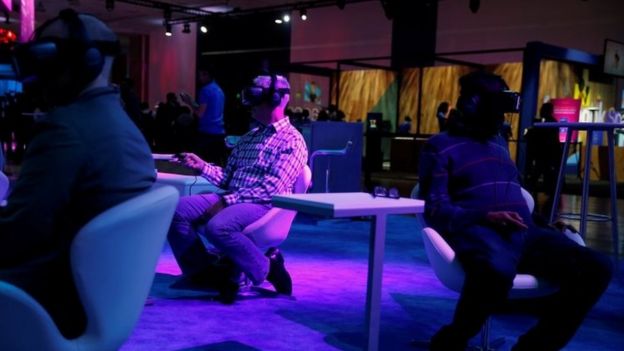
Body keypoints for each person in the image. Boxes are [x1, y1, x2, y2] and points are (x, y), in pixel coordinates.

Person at [418, 71, 613, 351]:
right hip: (480, 231)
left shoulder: (498, 145)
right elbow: (435, 208)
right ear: (473, 103)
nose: (503, 115)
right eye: (497, 104)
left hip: (527, 233)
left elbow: (513, 194)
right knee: (496, 270)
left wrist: (545, 223)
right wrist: (485, 217)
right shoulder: (440, 146)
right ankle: (451, 340)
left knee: (597, 268)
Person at [0, 9, 155, 339]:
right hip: (92, 300)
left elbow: (17, 238)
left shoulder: (65, 129)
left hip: (41, 301)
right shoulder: (124, 126)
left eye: (46, 57)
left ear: (87, 62)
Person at [168, 74, 308, 303]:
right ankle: (206, 274)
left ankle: (267, 268)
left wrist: (227, 201)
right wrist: (202, 166)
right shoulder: (249, 138)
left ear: (275, 100)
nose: (249, 108)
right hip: (234, 196)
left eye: (254, 101)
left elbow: (271, 189)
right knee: (175, 210)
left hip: (262, 204)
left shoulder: (293, 140)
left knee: (218, 227)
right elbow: (228, 179)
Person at [180, 64, 226, 165]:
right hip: (219, 133)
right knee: (216, 165)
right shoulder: (219, 90)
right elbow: (207, 110)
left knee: (201, 165)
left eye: (201, 75)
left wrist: (188, 103)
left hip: (207, 133)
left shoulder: (205, 90)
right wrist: (191, 101)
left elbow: (200, 114)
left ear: (207, 75)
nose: (199, 78)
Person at [524, 102, 563, 215]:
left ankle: (535, 195)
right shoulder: (551, 122)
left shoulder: (544, 122)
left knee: (539, 175)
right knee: (544, 175)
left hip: (544, 154)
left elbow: (541, 138)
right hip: (546, 154)